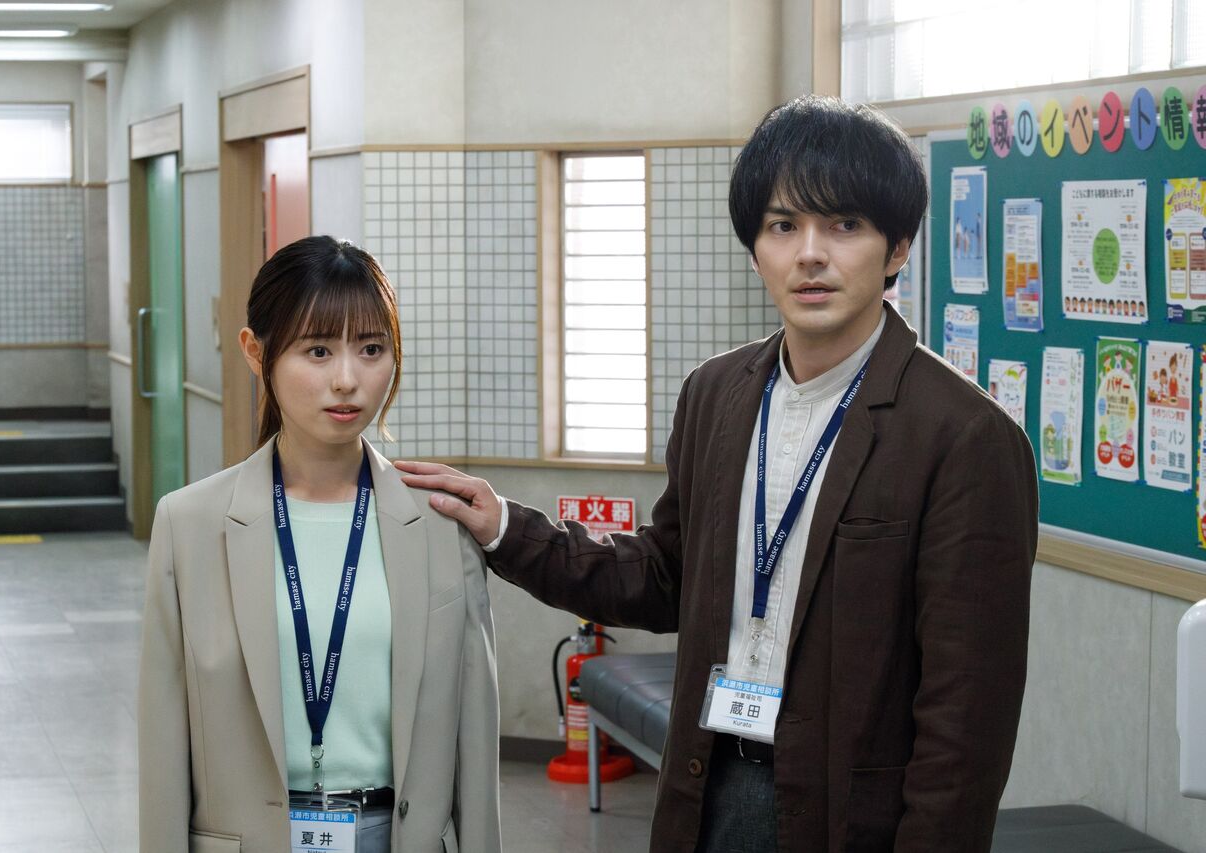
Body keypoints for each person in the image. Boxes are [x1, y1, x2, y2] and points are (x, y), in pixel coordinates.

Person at [398, 96, 1038, 852]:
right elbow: (666, 574)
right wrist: (507, 528)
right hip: (705, 788)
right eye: (783, 225)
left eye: (844, 225)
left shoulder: (965, 436)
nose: (810, 254)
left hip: (850, 820)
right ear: (755, 247)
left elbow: (965, 722)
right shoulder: (715, 394)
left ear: (897, 247)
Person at [139, 237, 500, 853]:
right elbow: (163, 740)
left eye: (371, 349)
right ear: (256, 353)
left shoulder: (441, 523)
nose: (347, 380)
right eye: (318, 350)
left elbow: (475, 733)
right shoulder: (189, 523)